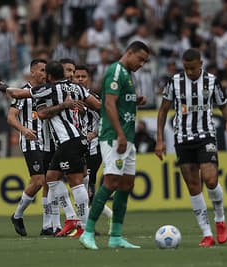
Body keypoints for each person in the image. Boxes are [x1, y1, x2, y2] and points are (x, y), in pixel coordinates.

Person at [0, 61, 101, 237]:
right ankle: (70, 220)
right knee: (51, 179)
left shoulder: (48, 89)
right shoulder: (77, 89)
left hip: (68, 140)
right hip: (67, 140)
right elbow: (99, 106)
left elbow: (34, 107)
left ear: (50, 76)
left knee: (77, 181)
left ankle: (84, 227)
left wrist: (5, 88)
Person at [154, 48, 227, 247]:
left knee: (210, 180)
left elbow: (223, 104)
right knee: (193, 187)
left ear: (201, 63)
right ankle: (207, 234)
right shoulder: (174, 82)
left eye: (193, 68)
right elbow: (162, 111)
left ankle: (220, 219)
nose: (190, 72)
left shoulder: (211, 80)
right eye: (186, 68)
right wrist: (159, 140)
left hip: (205, 135)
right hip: (182, 138)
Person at [79, 41, 150, 250]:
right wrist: (119, 134)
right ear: (129, 53)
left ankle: (116, 236)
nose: (142, 64)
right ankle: (88, 232)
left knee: (127, 184)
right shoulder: (115, 71)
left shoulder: (127, 75)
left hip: (127, 137)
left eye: (145, 61)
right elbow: (108, 104)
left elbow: (117, 101)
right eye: (140, 59)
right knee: (110, 181)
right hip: (113, 137)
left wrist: (134, 101)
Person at [7, 59, 55, 236]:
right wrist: (24, 130)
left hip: (49, 141)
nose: (45, 73)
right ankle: (17, 215)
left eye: (46, 70)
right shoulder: (23, 91)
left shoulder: (47, 90)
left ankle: (47, 225)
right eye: (42, 70)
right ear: (33, 72)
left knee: (48, 182)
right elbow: (11, 117)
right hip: (31, 141)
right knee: (38, 181)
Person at [72, 64, 113, 236]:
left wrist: (94, 133)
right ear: (72, 78)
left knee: (84, 188)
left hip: (93, 148)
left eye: (83, 76)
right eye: (77, 76)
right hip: (76, 149)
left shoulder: (94, 99)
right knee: (82, 189)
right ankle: (92, 223)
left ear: (88, 79)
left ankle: (86, 227)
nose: (80, 79)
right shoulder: (68, 99)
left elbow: (108, 118)